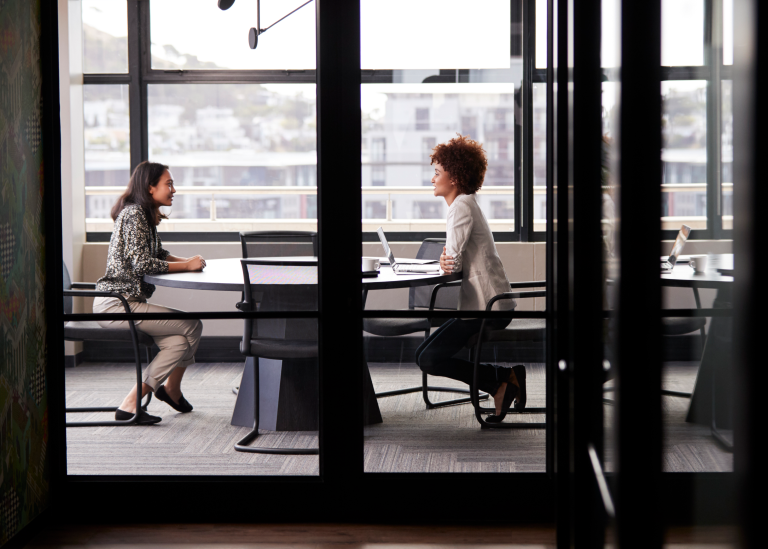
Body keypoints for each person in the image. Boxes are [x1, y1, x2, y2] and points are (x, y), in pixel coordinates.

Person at [415, 134, 526, 423]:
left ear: (454, 177)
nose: (432, 179)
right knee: (424, 354)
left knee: (427, 358)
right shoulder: (467, 203)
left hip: (487, 308)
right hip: (486, 305)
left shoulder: (460, 207)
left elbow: (452, 264)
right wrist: (446, 261)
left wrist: (445, 262)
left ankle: (501, 381)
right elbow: (453, 261)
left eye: (437, 173)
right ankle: (502, 379)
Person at [94, 161, 205, 424]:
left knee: (178, 342)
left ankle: (135, 403)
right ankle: (165, 392)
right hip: (117, 305)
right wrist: (186, 266)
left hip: (128, 302)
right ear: (150, 187)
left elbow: (158, 254)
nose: (174, 190)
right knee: (191, 324)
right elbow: (141, 264)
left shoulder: (143, 215)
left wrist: (186, 261)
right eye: (169, 183)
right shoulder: (134, 215)